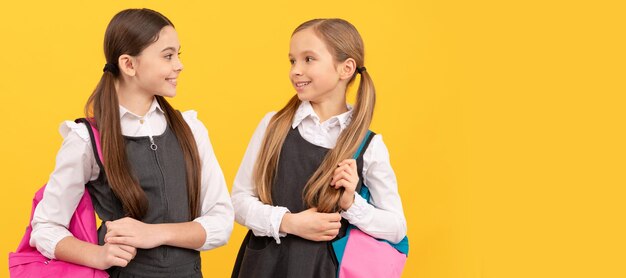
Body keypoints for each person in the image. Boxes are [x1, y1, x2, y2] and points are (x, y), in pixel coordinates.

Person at [30, 8, 234, 277]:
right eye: (168, 56)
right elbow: (45, 226)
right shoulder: (87, 139)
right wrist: (98, 255)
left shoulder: (191, 129)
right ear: (129, 64)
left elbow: (221, 222)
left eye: (178, 55)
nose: (179, 65)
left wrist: (153, 233)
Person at [231, 18, 407, 277]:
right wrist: (289, 223)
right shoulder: (273, 125)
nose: (295, 70)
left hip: (322, 270)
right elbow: (238, 201)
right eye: (292, 61)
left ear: (345, 69)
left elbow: (396, 228)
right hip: (264, 268)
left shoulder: (368, 146)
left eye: (308, 59)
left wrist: (350, 203)